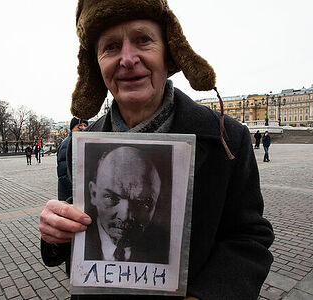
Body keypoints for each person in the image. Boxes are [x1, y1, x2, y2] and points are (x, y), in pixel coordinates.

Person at [39, 1, 274, 299]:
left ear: (169, 51)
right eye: (111, 46)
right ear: (96, 64)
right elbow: (78, 230)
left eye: (143, 40)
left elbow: (249, 236)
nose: (127, 58)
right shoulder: (80, 146)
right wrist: (55, 232)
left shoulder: (228, 138)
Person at [85, 146, 168, 263]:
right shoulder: (78, 236)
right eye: (112, 198)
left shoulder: (166, 248)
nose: (124, 216)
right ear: (93, 194)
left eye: (142, 202)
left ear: (156, 202)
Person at [57, 117, 88, 200]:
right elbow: (64, 173)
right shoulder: (68, 144)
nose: (83, 128)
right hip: (70, 193)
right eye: (79, 126)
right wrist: (76, 189)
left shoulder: (80, 141)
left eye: (85, 125)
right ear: (72, 129)